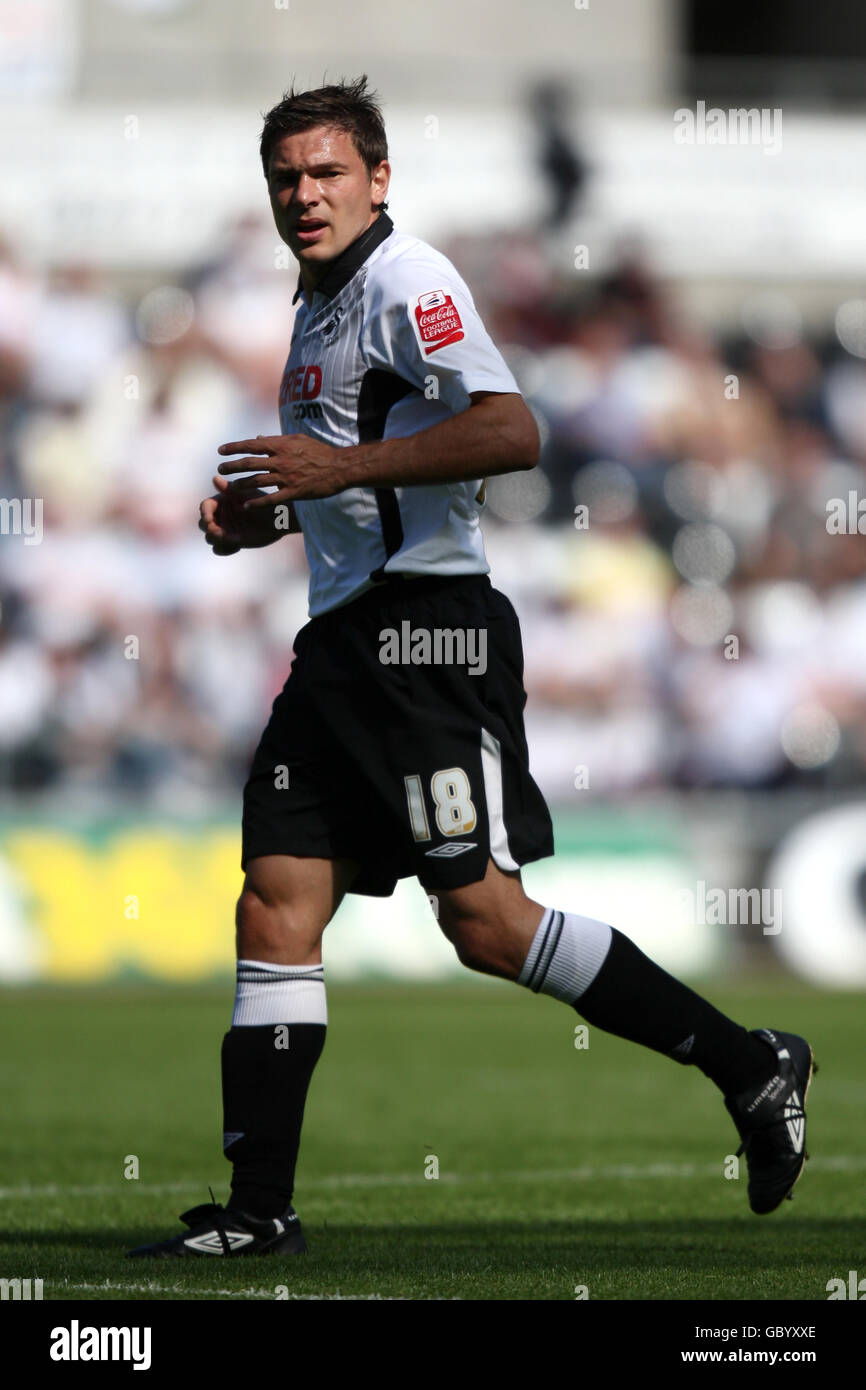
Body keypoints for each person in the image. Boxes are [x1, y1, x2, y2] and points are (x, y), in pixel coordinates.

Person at [129, 76, 815, 1259]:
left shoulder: (408, 281)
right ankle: (258, 1212)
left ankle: (751, 1063)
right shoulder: (319, 303)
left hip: (427, 639)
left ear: (379, 178)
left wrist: (333, 476)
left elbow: (510, 431)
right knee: (276, 901)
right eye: (287, 178)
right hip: (342, 641)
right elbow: (370, 474)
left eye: (328, 172)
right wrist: (274, 518)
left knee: (485, 925)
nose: (305, 195)